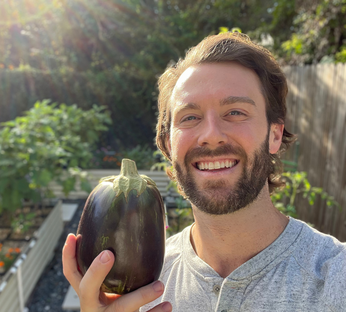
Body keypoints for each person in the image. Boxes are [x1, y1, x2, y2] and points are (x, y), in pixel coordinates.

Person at [62, 32, 346, 312]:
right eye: (190, 117)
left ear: (274, 135)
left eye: (235, 112)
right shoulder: (136, 293)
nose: (211, 135)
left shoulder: (336, 279)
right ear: (168, 145)